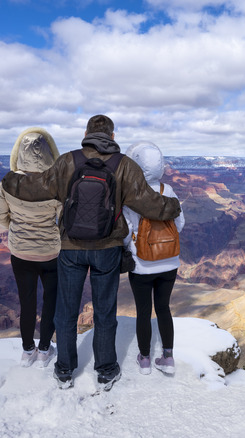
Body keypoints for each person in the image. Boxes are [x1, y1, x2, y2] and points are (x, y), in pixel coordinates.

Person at [46, 115, 181, 391]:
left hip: (70, 248)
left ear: (86, 133)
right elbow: (148, 203)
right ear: (113, 137)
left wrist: (12, 182)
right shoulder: (124, 165)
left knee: (66, 310)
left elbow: (40, 187)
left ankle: (64, 370)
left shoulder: (67, 161)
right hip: (107, 249)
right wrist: (173, 207)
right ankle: (106, 370)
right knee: (105, 311)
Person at [0, 127, 61, 368]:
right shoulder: (56, 183)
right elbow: (65, 218)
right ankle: (44, 350)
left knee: (27, 301)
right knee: (51, 300)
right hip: (51, 253)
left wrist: (16, 226)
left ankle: (27, 351)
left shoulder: (8, 181)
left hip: (20, 253)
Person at [122, 141, 185, 375]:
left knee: (143, 311)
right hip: (169, 262)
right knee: (163, 308)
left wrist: (131, 246)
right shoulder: (167, 191)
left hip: (142, 265)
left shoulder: (132, 193)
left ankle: (145, 359)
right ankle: (168, 358)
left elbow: (126, 231)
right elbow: (180, 224)